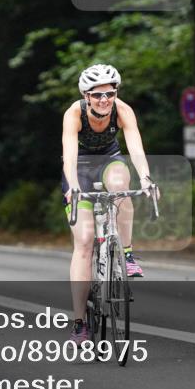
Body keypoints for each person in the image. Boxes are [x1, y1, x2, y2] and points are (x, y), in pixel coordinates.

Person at [61, 64, 155, 345]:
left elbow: (135, 147)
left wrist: (147, 179)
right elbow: (69, 154)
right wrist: (74, 186)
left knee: (120, 188)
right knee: (85, 242)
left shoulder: (122, 110)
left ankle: (126, 254)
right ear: (86, 95)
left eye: (110, 93)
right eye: (97, 95)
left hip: (109, 162)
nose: (104, 100)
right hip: (79, 169)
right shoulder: (74, 113)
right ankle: (79, 322)